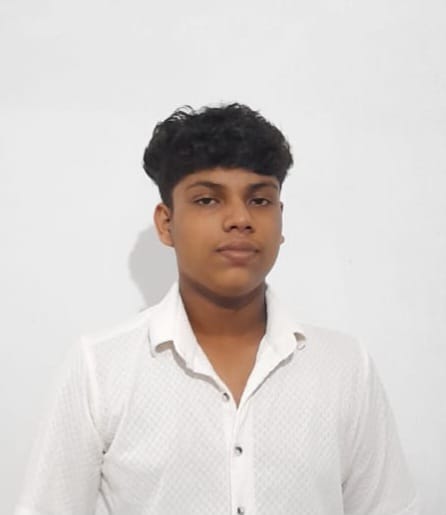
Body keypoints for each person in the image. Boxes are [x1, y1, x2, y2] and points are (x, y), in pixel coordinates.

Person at [15, 103, 418, 514]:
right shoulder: (100, 371)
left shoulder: (345, 368)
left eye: (260, 200)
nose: (240, 218)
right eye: (208, 200)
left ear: (281, 219)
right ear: (166, 224)